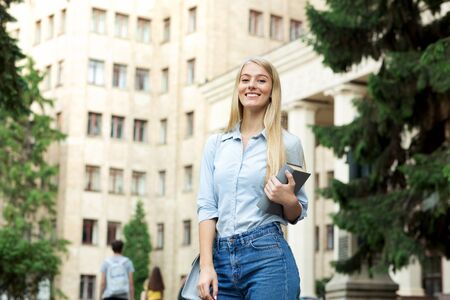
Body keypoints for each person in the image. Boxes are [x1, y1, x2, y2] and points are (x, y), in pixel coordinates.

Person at [196, 58, 308, 300]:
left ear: (272, 91)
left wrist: (287, 199)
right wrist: (206, 266)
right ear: (238, 88)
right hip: (221, 259)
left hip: (268, 257)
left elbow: (297, 213)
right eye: (245, 80)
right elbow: (207, 208)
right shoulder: (216, 144)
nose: (251, 85)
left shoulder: (288, 144)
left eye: (261, 80)